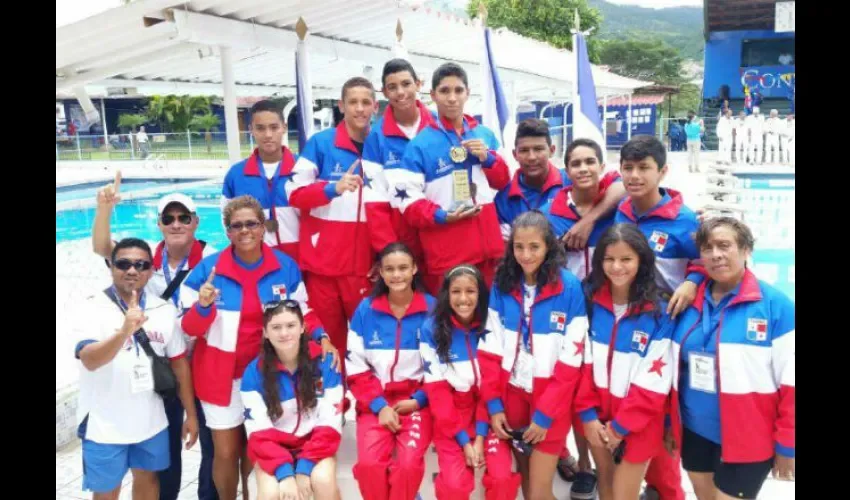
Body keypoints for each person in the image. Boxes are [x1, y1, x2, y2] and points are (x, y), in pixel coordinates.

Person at [180, 195, 336, 500]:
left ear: (263, 227)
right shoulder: (207, 271)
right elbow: (189, 329)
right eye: (236, 225)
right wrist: (203, 306)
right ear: (227, 232)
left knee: (256, 448)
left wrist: (323, 337)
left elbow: (304, 311)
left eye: (251, 223)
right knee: (225, 452)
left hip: (268, 374)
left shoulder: (284, 266)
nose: (244, 230)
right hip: (219, 376)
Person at [92, 179, 219, 500]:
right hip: (163, 368)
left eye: (184, 218)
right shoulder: (145, 262)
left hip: (205, 365)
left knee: (213, 445)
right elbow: (104, 249)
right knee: (165, 456)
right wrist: (104, 210)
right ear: (159, 224)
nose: (176, 224)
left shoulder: (214, 260)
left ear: (196, 221)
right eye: (168, 218)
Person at [670, 217, 795, 499]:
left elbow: (792, 381)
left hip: (748, 436)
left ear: (746, 249)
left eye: (724, 246)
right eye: (707, 248)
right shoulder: (689, 301)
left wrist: (788, 444)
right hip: (695, 430)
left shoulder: (776, 306)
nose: (716, 254)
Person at [286, 76, 398, 377]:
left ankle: (371, 410)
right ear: (341, 106)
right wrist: (331, 188)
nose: (360, 109)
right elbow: (294, 194)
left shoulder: (382, 147)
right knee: (327, 349)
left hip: (364, 268)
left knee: (369, 346)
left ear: (375, 107)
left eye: (366, 102)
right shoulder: (320, 144)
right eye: (353, 102)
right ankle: (334, 412)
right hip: (323, 269)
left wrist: (383, 256)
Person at [73, 238, 199, 500]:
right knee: (107, 491)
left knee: (148, 482)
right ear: (111, 267)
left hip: (151, 422)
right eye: (124, 264)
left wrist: (191, 414)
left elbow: (179, 365)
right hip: (103, 424)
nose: (132, 270)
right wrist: (124, 332)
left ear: (150, 271)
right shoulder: (91, 306)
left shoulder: (163, 310)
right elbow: (89, 359)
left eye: (141, 265)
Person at [478, 211, 590, 500]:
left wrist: (544, 416)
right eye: (519, 247)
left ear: (548, 247)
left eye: (534, 247)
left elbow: (571, 362)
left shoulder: (569, 287)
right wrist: (493, 404)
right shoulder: (502, 285)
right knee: (528, 486)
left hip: (549, 399)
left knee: (540, 492)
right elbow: (489, 349)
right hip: (512, 394)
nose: (526, 255)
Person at [574, 224, 681, 500]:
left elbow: (655, 381)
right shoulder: (588, 303)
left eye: (626, 259)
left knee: (623, 494)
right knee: (607, 490)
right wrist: (587, 416)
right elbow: (581, 365)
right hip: (596, 419)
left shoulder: (660, 313)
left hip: (639, 425)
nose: (617, 267)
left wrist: (620, 428)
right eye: (609, 259)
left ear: (641, 261)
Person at [387, 62, 511, 294]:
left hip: (488, 253)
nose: (452, 98)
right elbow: (407, 202)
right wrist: (442, 216)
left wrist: (488, 158)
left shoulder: (484, 135)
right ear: (432, 95)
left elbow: (503, 181)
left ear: (467, 93)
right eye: (444, 91)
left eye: (458, 90)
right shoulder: (419, 145)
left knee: (489, 322)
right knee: (449, 325)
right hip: (447, 255)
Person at [419, 264, 520, 499]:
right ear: (446, 294)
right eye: (456, 292)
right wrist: (465, 441)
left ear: (480, 294)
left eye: (470, 291)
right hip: (453, 419)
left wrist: (481, 436)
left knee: (502, 479)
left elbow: (491, 385)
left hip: (490, 414)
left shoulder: (491, 325)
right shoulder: (431, 329)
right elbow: (438, 394)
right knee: (454, 486)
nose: (463, 299)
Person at [347, 242, 436, 500]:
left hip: (417, 402)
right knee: (369, 466)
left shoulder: (432, 309)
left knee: (407, 466)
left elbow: (443, 368)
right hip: (375, 402)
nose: (397, 275)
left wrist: (418, 400)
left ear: (414, 269)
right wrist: (379, 406)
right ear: (381, 273)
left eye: (403, 268)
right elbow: (355, 366)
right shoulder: (366, 310)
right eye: (390, 269)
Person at [240, 301, 343, 500]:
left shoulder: (325, 362)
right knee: (270, 493)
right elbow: (258, 433)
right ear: (266, 333)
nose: (284, 333)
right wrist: (285, 473)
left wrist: (304, 468)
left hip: (314, 444)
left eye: (291, 325)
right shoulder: (253, 373)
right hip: (273, 449)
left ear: (303, 327)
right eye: (276, 327)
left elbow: (330, 423)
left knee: (323, 480)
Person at [362, 59, 436, 273]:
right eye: (392, 87)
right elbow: (375, 203)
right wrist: (390, 252)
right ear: (384, 91)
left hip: (441, 237)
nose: (400, 92)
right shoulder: (376, 138)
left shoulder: (439, 125)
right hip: (402, 248)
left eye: (406, 84)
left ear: (418, 84)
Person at [222, 100, 301, 262]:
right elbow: (228, 223)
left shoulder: (303, 169)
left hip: (300, 262)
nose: (268, 135)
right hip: (256, 264)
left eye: (274, 127)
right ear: (251, 130)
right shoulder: (236, 175)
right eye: (260, 128)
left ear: (284, 128)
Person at [493, 118, 570, 239]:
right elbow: (506, 250)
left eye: (538, 149)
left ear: (552, 150)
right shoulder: (503, 199)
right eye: (524, 150)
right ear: (515, 155)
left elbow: (609, 186)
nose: (532, 157)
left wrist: (586, 222)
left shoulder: (572, 182)